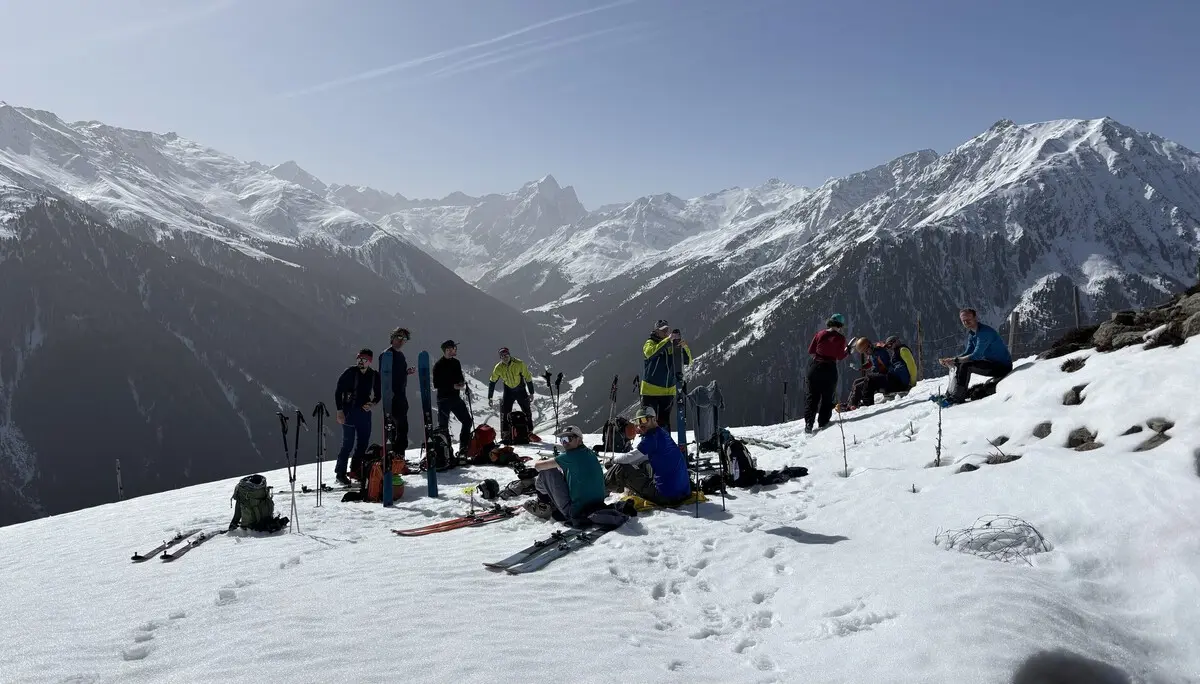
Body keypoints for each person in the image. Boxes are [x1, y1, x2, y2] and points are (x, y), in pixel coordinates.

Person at [604, 405, 691, 506]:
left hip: (665, 496)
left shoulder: (652, 438)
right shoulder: (662, 434)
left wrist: (613, 460)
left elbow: (630, 457)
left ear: (654, 419)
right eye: (638, 421)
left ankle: (598, 490)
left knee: (621, 469)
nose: (641, 424)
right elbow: (641, 457)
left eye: (644, 419)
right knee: (644, 463)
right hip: (682, 493)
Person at [524, 425, 607, 526]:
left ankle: (543, 505)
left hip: (574, 511)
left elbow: (538, 466)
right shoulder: (590, 453)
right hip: (597, 505)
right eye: (562, 439)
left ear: (579, 440)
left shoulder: (570, 456)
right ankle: (547, 502)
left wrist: (541, 461)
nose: (565, 443)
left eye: (569, 438)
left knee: (547, 471)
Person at [938, 308, 1013, 405]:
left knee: (966, 366)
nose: (966, 322)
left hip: (1002, 367)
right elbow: (967, 352)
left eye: (968, 319)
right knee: (960, 364)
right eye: (963, 320)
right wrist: (952, 360)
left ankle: (957, 398)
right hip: (992, 363)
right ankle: (950, 394)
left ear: (975, 318)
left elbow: (976, 355)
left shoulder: (984, 333)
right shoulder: (972, 333)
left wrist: (955, 360)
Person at [333, 348, 381, 486]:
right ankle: (340, 473)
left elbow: (378, 394)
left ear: (369, 361)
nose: (360, 361)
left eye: (364, 359)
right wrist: (339, 411)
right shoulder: (349, 372)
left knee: (363, 443)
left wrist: (372, 404)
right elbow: (338, 392)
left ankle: (355, 470)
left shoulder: (374, 375)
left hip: (364, 414)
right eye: (359, 359)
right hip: (348, 413)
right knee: (347, 444)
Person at [640, 320, 692, 431]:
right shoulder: (650, 343)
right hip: (650, 390)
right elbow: (650, 353)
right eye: (662, 329)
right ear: (656, 330)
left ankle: (665, 445)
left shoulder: (671, 344)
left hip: (668, 391)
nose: (665, 331)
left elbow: (687, 361)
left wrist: (684, 347)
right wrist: (668, 341)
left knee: (664, 422)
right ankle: (649, 446)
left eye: (666, 329)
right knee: (648, 422)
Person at [804, 314, 849, 433]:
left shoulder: (819, 334)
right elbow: (840, 356)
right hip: (829, 369)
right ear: (840, 325)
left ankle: (809, 424)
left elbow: (811, 351)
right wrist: (848, 351)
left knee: (812, 397)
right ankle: (823, 422)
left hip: (815, 368)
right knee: (827, 397)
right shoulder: (840, 338)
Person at [379, 327, 416, 457]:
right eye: (399, 337)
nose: (401, 341)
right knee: (394, 428)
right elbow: (384, 376)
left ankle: (398, 458)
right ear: (392, 337)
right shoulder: (386, 355)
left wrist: (406, 372)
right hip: (391, 397)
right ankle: (393, 458)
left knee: (401, 428)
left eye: (404, 339)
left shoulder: (400, 355)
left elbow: (397, 374)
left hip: (401, 396)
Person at [432, 340, 472, 456]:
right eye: (448, 350)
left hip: (455, 398)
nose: (450, 352)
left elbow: (459, 376)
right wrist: (453, 386)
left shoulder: (456, 363)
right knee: (443, 428)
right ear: (444, 351)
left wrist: (461, 383)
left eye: (452, 349)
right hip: (443, 400)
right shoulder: (438, 365)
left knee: (467, 421)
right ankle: (447, 453)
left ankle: (463, 448)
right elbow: (436, 384)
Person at [487, 347, 535, 437]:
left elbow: (528, 377)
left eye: (506, 355)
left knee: (527, 410)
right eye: (503, 356)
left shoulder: (519, 363)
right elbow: (492, 382)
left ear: (509, 355)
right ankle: (506, 433)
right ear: (500, 357)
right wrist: (490, 397)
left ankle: (530, 432)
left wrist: (531, 392)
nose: (505, 357)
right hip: (508, 391)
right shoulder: (498, 368)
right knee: (505, 412)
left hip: (520, 389)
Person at [847, 336, 902, 408]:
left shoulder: (879, 353)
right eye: (865, 352)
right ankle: (850, 403)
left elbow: (883, 368)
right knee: (856, 382)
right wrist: (861, 367)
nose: (866, 353)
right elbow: (870, 363)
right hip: (879, 376)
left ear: (869, 346)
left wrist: (873, 373)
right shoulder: (872, 353)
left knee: (859, 386)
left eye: (866, 351)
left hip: (885, 377)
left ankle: (853, 405)